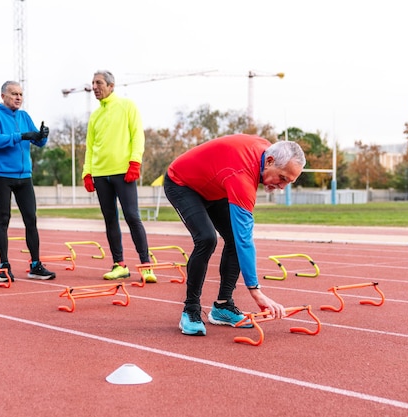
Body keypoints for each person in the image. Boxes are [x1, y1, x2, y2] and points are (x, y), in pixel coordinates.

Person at [164, 134, 306, 336]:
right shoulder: (242, 176)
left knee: (232, 239)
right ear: (270, 161)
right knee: (206, 238)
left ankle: (223, 306)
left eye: (288, 182)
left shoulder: (268, 152)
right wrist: (255, 291)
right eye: (282, 178)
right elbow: (245, 239)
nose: (282, 187)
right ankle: (191, 309)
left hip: (216, 184)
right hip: (183, 183)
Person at [82, 70, 156, 282]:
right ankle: (119, 264)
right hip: (100, 173)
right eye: (93, 83)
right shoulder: (95, 116)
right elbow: (89, 147)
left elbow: (137, 135)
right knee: (110, 219)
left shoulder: (127, 106)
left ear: (111, 85)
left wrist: (135, 162)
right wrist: (87, 172)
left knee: (132, 216)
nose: (95, 87)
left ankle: (146, 265)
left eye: (99, 83)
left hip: (124, 172)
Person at [0, 80, 56, 282]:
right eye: (14, 93)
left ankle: (35, 265)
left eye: (21, 94)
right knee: (4, 219)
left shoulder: (24, 116)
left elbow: (37, 142)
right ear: (3, 96)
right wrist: (21, 135)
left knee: (31, 219)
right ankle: (4, 265)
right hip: (2, 175)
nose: (18, 97)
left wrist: (42, 136)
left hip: (24, 176)